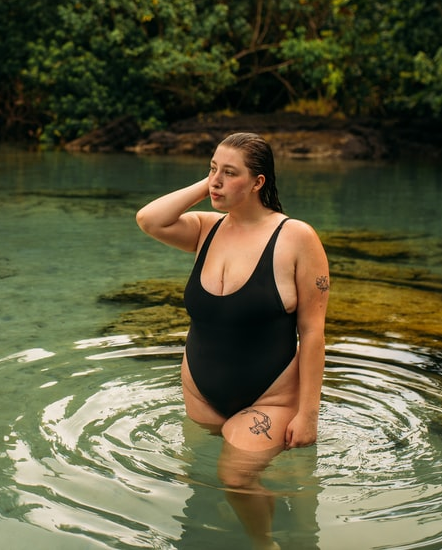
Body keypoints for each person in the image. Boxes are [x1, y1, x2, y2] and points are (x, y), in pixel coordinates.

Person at [135, 132, 329, 549]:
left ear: (258, 182)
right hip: (202, 393)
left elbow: (312, 332)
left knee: (235, 477)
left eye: (229, 173)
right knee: (205, 487)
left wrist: (308, 415)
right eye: (212, 169)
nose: (216, 182)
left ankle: (266, 544)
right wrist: (211, 185)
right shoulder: (206, 229)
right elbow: (149, 219)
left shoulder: (296, 238)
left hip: (271, 398)